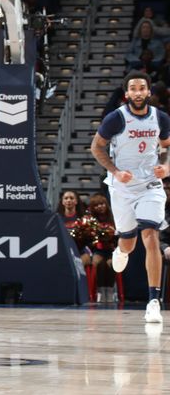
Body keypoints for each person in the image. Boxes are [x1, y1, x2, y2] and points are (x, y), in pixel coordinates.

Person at [90, 70, 170, 323]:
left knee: (151, 236)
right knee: (129, 242)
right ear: (127, 94)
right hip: (122, 186)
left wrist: (166, 166)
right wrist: (114, 170)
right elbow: (96, 147)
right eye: (133, 88)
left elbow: (167, 148)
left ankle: (153, 301)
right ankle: (120, 249)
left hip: (150, 184)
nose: (138, 92)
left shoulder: (161, 118)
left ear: (148, 92)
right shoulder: (116, 118)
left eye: (142, 88)